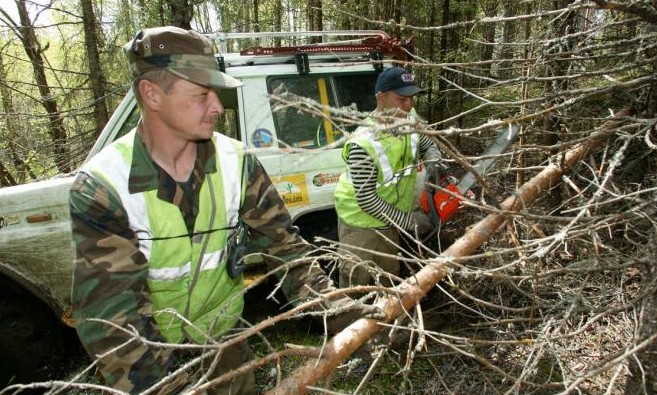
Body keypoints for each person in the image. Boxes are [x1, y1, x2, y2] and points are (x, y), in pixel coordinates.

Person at [70, 26, 372, 395]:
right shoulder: (104, 186)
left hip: (224, 344)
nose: (217, 105)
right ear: (151, 94)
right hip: (151, 361)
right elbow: (111, 319)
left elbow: (287, 251)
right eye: (202, 93)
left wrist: (346, 315)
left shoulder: (237, 163)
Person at [334, 67, 445, 288]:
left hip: (390, 217)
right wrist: (408, 222)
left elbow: (427, 145)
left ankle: (389, 317)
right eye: (402, 99)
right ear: (381, 98)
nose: (409, 105)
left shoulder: (408, 120)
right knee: (358, 280)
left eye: (412, 98)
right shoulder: (363, 142)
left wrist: (434, 162)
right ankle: (352, 320)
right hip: (360, 221)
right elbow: (366, 199)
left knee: (388, 275)